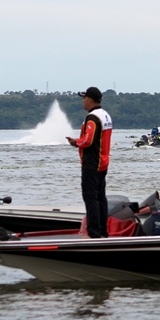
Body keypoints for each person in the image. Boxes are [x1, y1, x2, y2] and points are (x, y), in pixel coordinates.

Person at [66, 87, 113, 239]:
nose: (82, 101)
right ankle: (103, 231)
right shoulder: (105, 115)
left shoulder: (92, 118)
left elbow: (88, 140)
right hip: (103, 162)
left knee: (90, 198)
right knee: (101, 198)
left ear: (90, 100)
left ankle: (94, 233)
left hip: (92, 163)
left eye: (84, 98)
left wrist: (76, 142)